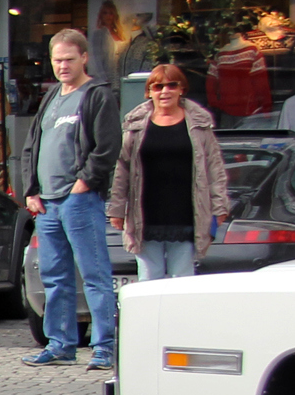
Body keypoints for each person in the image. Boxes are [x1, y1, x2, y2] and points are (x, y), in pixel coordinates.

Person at [13, 29, 121, 369]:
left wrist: (83, 184)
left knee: (94, 275)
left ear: (84, 58)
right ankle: (60, 344)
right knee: (54, 277)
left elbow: (107, 147)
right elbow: (31, 146)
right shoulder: (51, 96)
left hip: (79, 201)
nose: (62, 66)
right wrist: (30, 189)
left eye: (69, 59)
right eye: (57, 60)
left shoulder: (97, 95)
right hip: (46, 204)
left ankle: (104, 347)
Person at [107, 63, 230, 282]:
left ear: (182, 89)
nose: (165, 91)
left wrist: (219, 206)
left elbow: (214, 167)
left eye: (172, 85)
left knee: (181, 280)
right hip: (144, 216)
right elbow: (122, 169)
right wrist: (117, 208)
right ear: (149, 92)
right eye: (158, 87)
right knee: (148, 280)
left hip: (186, 215)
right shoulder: (135, 125)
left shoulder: (199, 124)